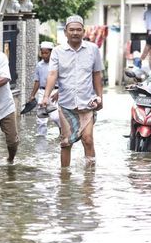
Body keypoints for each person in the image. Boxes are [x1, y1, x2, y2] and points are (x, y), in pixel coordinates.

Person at [41, 15, 104, 168]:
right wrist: (46, 96)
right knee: (65, 143)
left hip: (87, 102)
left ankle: (90, 177)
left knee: (88, 139)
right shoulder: (57, 51)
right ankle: (64, 177)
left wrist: (100, 97)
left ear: (83, 31)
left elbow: (97, 74)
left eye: (78, 30)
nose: (75, 33)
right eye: (72, 30)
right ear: (65, 32)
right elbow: (52, 74)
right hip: (66, 104)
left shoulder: (93, 49)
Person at [28, 41, 61, 136]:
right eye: (42, 53)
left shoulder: (56, 64)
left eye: (46, 53)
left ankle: (62, 132)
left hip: (54, 92)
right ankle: (41, 139)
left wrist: (59, 92)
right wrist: (32, 95)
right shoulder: (39, 65)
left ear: (51, 52)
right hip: (42, 92)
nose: (44, 55)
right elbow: (37, 81)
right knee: (41, 118)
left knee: (55, 117)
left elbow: (63, 80)